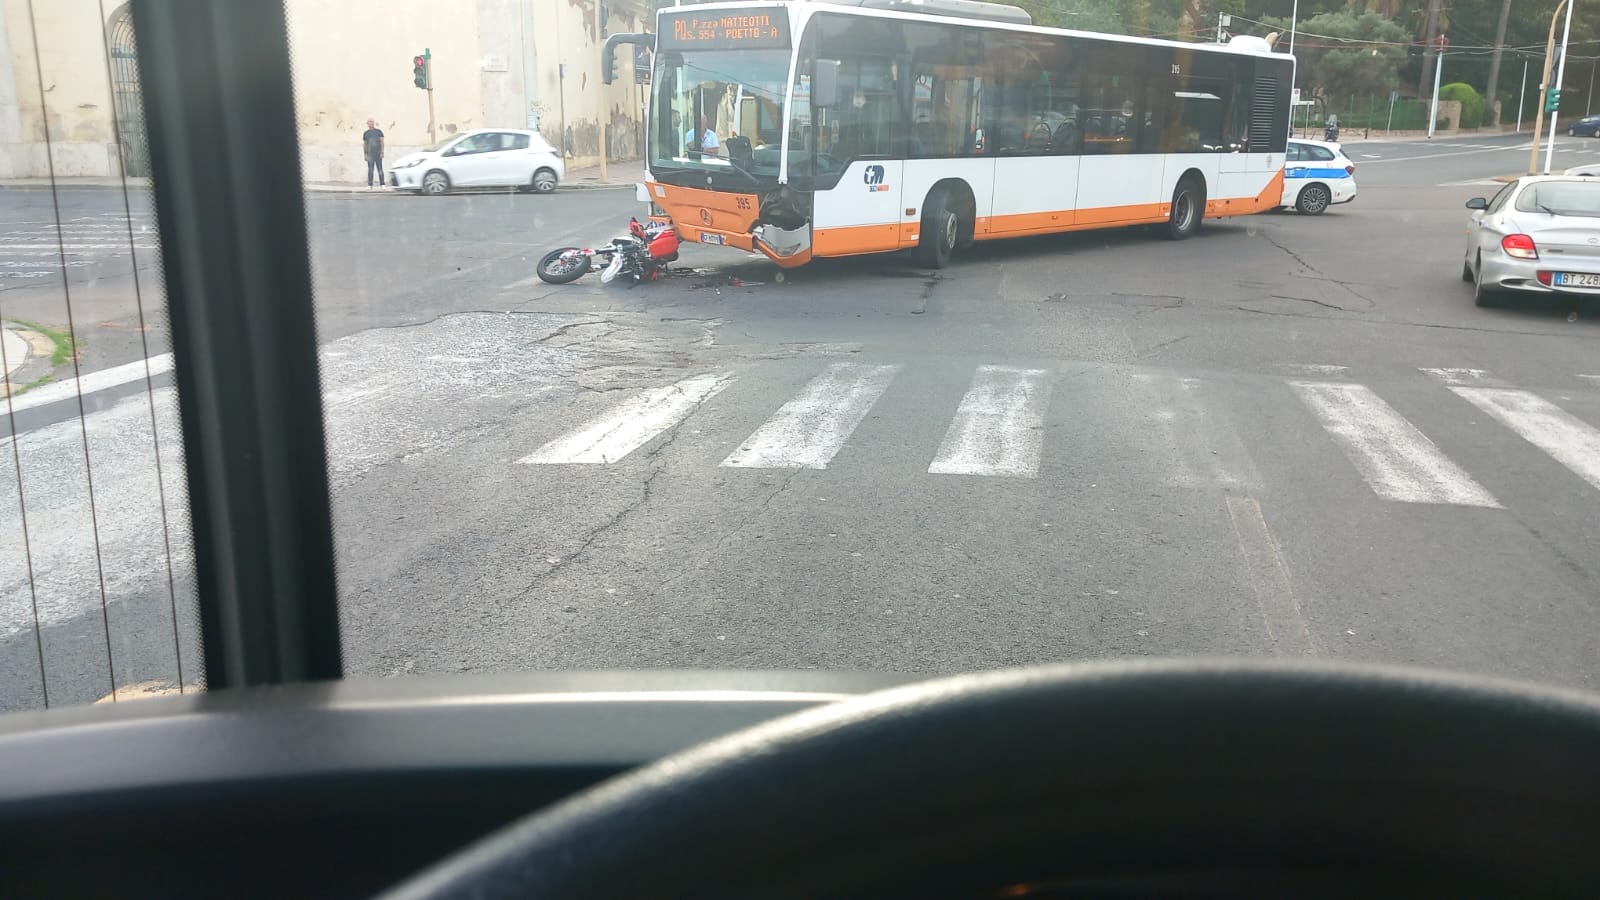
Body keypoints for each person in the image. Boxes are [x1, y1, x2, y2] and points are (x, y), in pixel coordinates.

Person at [361, 118, 385, 189]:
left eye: (372, 122)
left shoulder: (379, 131)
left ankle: (382, 185)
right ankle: (370, 185)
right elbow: (365, 144)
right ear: (367, 124)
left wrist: (382, 152)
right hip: (370, 154)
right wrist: (365, 154)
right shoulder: (366, 133)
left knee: (380, 169)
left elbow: (382, 142)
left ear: (374, 123)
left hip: (378, 153)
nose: (371, 123)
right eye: (369, 122)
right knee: (370, 170)